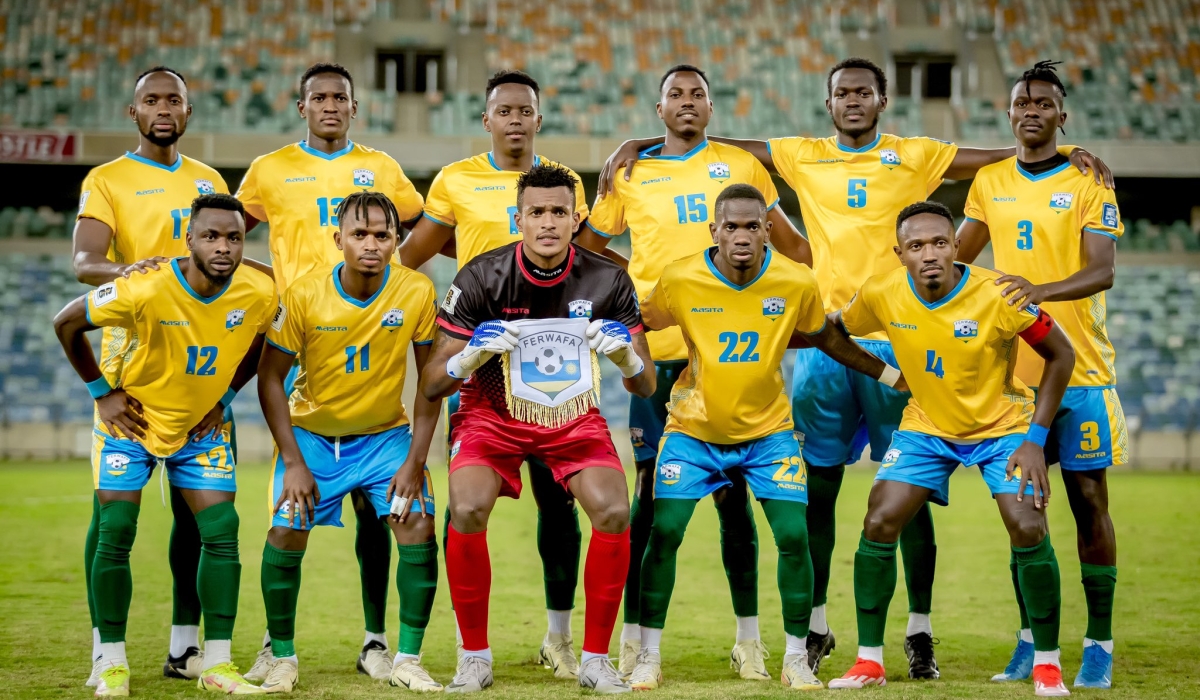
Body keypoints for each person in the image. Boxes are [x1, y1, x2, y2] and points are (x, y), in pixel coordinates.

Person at [598, 56, 1113, 678]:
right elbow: (707, 137)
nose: (853, 101)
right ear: (828, 102)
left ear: (882, 100)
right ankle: (814, 629)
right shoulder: (800, 153)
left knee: (913, 493)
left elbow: (1002, 159)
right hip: (827, 341)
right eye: (842, 92)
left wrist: (1067, 147)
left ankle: (918, 631)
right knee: (816, 489)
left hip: (905, 336)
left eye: (864, 92)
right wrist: (640, 142)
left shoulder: (915, 153)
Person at [574, 64, 812, 679]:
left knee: (737, 502)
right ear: (658, 109)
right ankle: (636, 641)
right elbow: (588, 247)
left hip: (731, 351)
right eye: (675, 95)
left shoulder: (742, 167)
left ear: (711, 107)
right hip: (658, 350)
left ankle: (749, 640)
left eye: (697, 94)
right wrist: (636, 283)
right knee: (653, 502)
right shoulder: (630, 171)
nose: (687, 103)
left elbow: (796, 250)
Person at [627, 184, 907, 692]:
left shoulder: (795, 281)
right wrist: (641, 372)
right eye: (730, 226)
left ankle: (797, 658)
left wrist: (889, 376)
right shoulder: (680, 277)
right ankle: (647, 655)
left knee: (795, 537)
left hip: (768, 434)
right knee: (663, 533)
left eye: (752, 226)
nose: (741, 235)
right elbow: (638, 322)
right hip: (694, 430)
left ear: (768, 231)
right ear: (713, 230)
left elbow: (825, 337)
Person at [825, 201, 1075, 698]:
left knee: (1027, 525)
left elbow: (1060, 353)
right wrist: (884, 374)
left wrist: (1035, 440)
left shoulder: (999, 294)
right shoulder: (881, 292)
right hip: (926, 427)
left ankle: (1048, 663)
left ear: (957, 245)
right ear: (900, 254)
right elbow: (831, 330)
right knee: (879, 520)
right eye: (916, 246)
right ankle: (869, 662)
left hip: (1003, 426)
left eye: (940, 242)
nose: (930, 254)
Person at [420, 163, 654, 694]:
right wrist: (469, 356)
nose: (548, 222)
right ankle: (474, 658)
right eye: (537, 212)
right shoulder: (481, 275)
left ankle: (595, 660)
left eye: (559, 212)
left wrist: (626, 357)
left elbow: (644, 385)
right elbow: (434, 382)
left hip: (572, 414)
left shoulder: (608, 278)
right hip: (490, 413)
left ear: (577, 219)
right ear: (519, 218)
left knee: (615, 511)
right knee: (468, 507)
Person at [70, 65, 267, 685]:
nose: (163, 108)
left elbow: (228, 253)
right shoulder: (108, 179)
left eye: (174, 100)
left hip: (202, 369)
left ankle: (190, 648)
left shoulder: (207, 181)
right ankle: (107, 653)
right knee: (113, 521)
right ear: (133, 112)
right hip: (135, 360)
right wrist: (140, 274)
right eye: (151, 99)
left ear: (189, 111)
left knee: (203, 520)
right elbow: (83, 263)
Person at [235, 62, 426, 683]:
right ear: (301, 106)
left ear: (354, 105)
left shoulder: (383, 171)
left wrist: (396, 279)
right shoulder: (269, 169)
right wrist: (268, 285)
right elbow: (232, 234)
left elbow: (418, 226)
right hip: (302, 334)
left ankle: (378, 642)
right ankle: (275, 643)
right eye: (318, 97)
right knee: (290, 509)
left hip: (373, 328)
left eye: (340, 97)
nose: (329, 105)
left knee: (384, 516)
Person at [399, 69, 592, 678]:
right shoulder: (456, 180)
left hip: (556, 361)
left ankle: (558, 636)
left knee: (559, 507)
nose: (514, 119)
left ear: (539, 117)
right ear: (486, 119)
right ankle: (470, 647)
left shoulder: (563, 184)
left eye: (524, 110)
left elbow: (579, 259)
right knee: (468, 504)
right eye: (503, 111)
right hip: (484, 363)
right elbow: (410, 255)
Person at [957, 61, 1126, 690]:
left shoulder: (1088, 183)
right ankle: (1030, 642)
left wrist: (1036, 292)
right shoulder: (990, 181)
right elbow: (958, 259)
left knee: (1088, 503)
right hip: (1013, 381)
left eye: (1043, 102)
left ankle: (1100, 643)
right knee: (1022, 514)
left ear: (1062, 115)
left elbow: (1102, 269)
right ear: (1009, 114)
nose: (1031, 110)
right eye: (1021, 102)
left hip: (1080, 372)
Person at [253, 191, 443, 694]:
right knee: (286, 532)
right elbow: (269, 378)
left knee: (419, 524)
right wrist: (293, 460)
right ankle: (282, 657)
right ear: (338, 239)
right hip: (313, 439)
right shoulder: (302, 294)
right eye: (359, 234)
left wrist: (416, 461)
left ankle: (406, 657)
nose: (372, 244)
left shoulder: (418, 291)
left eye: (383, 234)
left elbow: (430, 383)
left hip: (384, 440)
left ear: (396, 239)